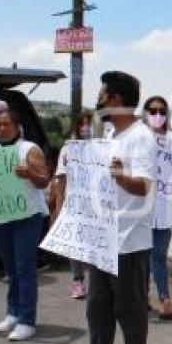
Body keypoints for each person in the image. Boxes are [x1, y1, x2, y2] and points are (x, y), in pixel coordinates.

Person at [58, 70, 157, 344]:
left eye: (101, 95)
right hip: (102, 239)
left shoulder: (141, 136)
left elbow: (142, 187)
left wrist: (119, 177)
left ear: (114, 99)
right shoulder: (109, 134)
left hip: (129, 241)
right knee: (96, 307)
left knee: (130, 311)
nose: (98, 100)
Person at [0, 108, 51, 341]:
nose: (2, 129)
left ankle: (27, 320)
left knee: (25, 268)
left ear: (17, 127)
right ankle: (13, 313)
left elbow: (44, 180)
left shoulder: (29, 149)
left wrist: (30, 175)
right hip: (1, 217)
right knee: (11, 269)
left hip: (27, 217)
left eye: (6, 124)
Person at [142, 95, 172, 320]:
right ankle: (142, 297)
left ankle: (164, 298)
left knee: (159, 256)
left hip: (165, 210)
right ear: (145, 113)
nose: (157, 115)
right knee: (141, 258)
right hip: (140, 211)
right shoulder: (139, 139)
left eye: (161, 111)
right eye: (152, 111)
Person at [51, 112, 95, 299]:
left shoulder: (103, 148)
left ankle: (97, 283)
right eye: (82, 124)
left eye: (89, 124)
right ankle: (78, 281)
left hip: (96, 207)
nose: (86, 128)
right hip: (74, 204)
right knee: (74, 245)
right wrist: (59, 208)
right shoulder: (68, 149)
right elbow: (61, 180)